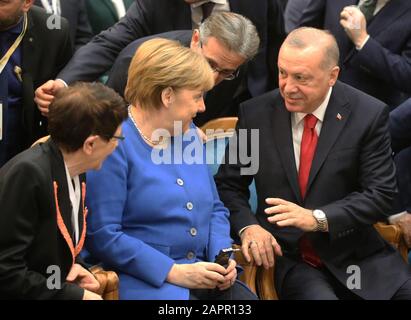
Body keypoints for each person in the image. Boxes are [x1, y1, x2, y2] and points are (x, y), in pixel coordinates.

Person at [215, 27, 411, 299]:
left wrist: (318, 218)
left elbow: (380, 195)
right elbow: (229, 186)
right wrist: (250, 227)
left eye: (301, 78)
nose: (288, 87)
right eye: (283, 73)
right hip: (289, 258)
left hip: (357, 254)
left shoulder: (368, 114)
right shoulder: (256, 115)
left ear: (332, 76)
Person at [85, 38, 257, 300]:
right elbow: (104, 235)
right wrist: (172, 271)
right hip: (144, 280)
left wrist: (222, 257)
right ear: (167, 96)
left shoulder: (188, 135)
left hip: (205, 274)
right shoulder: (114, 144)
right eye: (197, 96)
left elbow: (215, 209)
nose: (203, 107)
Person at [34, 0, 285, 117]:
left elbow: (276, 51)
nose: (210, 74)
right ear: (195, 39)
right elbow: (110, 42)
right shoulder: (157, 5)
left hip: (236, 109)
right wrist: (65, 83)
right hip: (162, 112)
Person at [0, 82, 128, 299]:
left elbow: (47, 256)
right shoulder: (28, 174)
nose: (117, 145)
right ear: (90, 145)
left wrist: (72, 268)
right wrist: (73, 296)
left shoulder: (76, 168)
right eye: (116, 138)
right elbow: (6, 272)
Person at [106, 12, 259, 126]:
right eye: (209, 63)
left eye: (225, 72)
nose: (211, 79)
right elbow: (108, 123)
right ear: (195, 39)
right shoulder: (137, 63)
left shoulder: (234, 66)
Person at [0, 0, 72, 167]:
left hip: (21, 155)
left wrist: (54, 101)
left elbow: (64, 99)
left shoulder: (53, 31)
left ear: (27, 3)